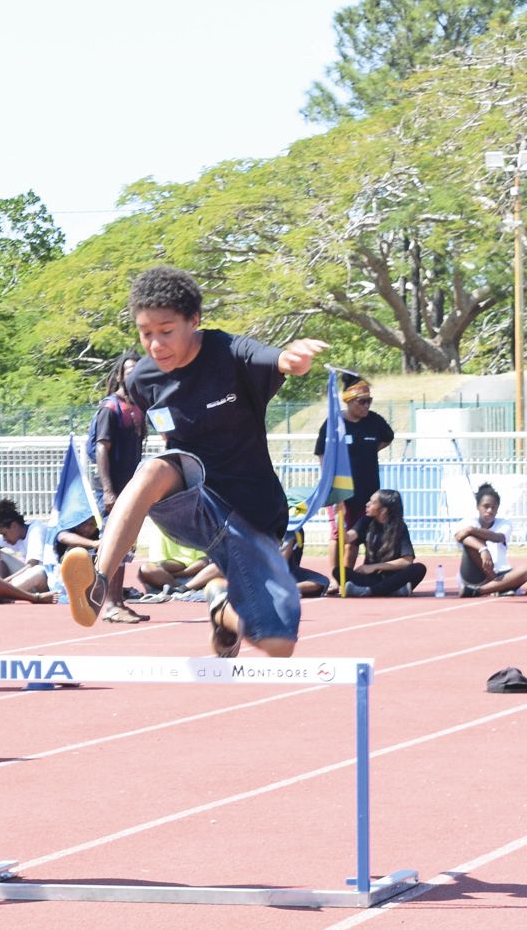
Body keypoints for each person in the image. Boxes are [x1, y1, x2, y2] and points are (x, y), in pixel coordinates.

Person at [61, 266, 327, 657]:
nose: (155, 345)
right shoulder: (143, 380)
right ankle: (97, 584)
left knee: (278, 643)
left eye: (166, 331)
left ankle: (224, 611)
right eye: (145, 333)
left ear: (194, 321)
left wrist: (295, 360)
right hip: (194, 503)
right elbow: (166, 436)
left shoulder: (231, 354)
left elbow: (279, 360)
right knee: (154, 468)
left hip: (252, 517)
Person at [315, 375, 393, 576]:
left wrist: (368, 450)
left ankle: (346, 576)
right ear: (348, 400)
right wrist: (329, 483)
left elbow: (387, 438)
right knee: (338, 534)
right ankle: (334, 578)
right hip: (341, 490)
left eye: (369, 401)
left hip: (367, 491)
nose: (366, 406)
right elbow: (322, 452)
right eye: (362, 402)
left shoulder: (374, 421)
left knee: (356, 536)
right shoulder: (334, 422)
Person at [89, 351, 146, 517]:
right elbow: (102, 448)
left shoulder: (138, 405)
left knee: (130, 539)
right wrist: (108, 491)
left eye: (137, 372)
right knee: (111, 537)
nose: (133, 376)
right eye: (129, 373)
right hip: (111, 489)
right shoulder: (110, 408)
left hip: (130, 486)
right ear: (120, 376)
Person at [451, 482, 527, 597]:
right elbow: (460, 537)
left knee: (525, 571)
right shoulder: (467, 522)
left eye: (493, 507)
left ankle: (479, 591)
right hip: (475, 575)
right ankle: (500, 587)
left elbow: (499, 537)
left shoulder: (504, 523)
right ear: (478, 507)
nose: (489, 510)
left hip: (500, 573)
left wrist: (472, 530)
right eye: (486, 506)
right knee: (473, 541)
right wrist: (483, 549)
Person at [341, 489, 426, 596]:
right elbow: (346, 539)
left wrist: (375, 566)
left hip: (394, 576)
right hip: (372, 577)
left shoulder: (400, 527)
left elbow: (407, 561)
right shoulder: (365, 522)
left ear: (383, 510)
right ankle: (393, 590)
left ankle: (370, 591)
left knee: (419, 568)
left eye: (373, 502)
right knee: (339, 571)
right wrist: (340, 518)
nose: (367, 504)